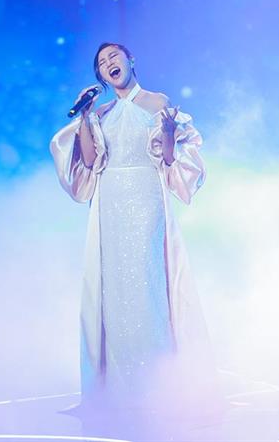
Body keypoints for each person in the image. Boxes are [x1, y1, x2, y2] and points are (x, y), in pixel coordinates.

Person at [50, 42, 218, 421]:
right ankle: (114, 390)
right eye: (101, 62)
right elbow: (90, 161)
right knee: (112, 292)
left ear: (130, 61)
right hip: (108, 203)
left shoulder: (158, 102)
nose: (109, 63)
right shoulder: (101, 112)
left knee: (147, 284)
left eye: (114, 56)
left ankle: (158, 385)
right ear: (99, 76)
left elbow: (170, 158)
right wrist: (85, 117)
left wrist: (170, 132)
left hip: (145, 199)